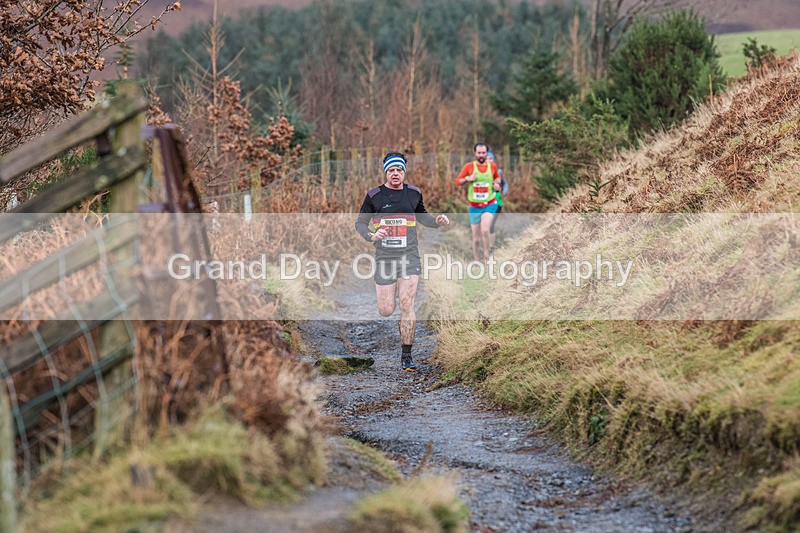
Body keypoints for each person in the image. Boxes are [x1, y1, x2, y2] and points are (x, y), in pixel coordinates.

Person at [355, 151, 450, 372]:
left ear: (404, 172)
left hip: (409, 257)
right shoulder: (374, 196)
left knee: (407, 304)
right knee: (386, 310)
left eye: (399, 170)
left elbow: (423, 217)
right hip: (385, 258)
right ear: (386, 172)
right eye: (391, 170)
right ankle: (389, 295)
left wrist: (437, 221)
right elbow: (360, 223)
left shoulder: (414, 194)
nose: (395, 173)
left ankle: (406, 357)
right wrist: (372, 235)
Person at [454, 143, 502, 261]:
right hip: (474, 206)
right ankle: (476, 260)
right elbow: (457, 181)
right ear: (475, 153)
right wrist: (468, 179)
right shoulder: (469, 167)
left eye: (483, 153)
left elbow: (498, 178)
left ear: (487, 153)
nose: (481, 155)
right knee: (476, 239)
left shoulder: (493, 167)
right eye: (479, 153)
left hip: (489, 203)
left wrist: (497, 184)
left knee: (485, 229)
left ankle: (487, 255)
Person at [486, 150, 508, 256]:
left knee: (490, 225)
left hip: (496, 203)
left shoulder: (498, 172)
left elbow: (505, 184)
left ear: (494, 161)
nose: (488, 161)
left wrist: (504, 191)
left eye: (490, 159)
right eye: (487, 159)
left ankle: (491, 248)